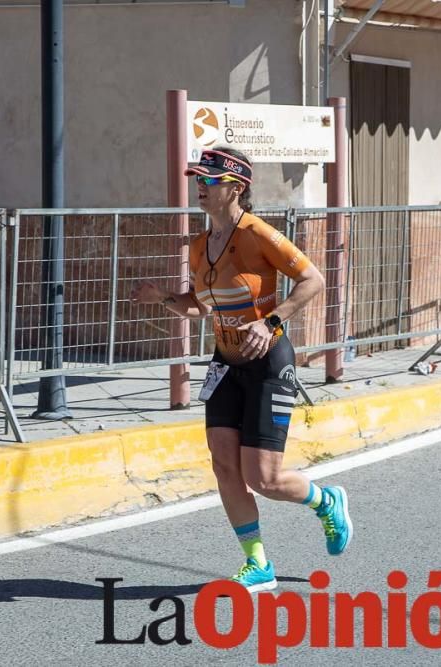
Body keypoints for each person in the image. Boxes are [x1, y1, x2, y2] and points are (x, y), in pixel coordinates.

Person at [129, 147, 353, 592]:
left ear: (236, 188)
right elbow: (200, 306)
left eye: (209, 181)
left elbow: (313, 279)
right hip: (225, 364)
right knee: (224, 467)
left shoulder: (258, 234)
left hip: (268, 362)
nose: (200, 187)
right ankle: (258, 564)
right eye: (198, 179)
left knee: (264, 478)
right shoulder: (197, 245)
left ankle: (326, 501)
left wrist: (271, 321)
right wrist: (165, 299)